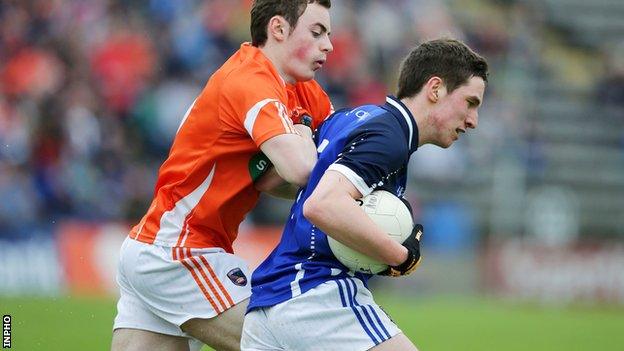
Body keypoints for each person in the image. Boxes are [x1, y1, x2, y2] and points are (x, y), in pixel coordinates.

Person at [111, 1, 333, 350]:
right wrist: (304, 136)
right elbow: (302, 169)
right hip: (180, 251)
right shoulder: (250, 79)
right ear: (278, 29)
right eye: (317, 32)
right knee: (280, 341)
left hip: (157, 248)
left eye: (329, 34)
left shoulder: (304, 91)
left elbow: (280, 178)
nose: (328, 45)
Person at [241, 38, 488, 351]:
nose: (473, 121)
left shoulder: (355, 118)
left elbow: (271, 182)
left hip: (268, 307)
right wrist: (401, 256)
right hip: (318, 297)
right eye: (470, 103)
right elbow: (322, 205)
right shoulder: (390, 138)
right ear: (435, 89)